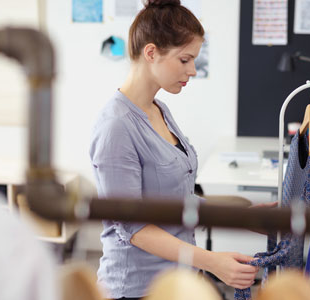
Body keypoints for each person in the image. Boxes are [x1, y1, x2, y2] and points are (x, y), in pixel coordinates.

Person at [89, 1, 274, 299]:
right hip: (137, 289)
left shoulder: (159, 110)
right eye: (185, 59)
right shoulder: (116, 127)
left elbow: (178, 202)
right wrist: (212, 261)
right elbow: (133, 228)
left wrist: (245, 218)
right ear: (151, 53)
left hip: (176, 282)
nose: (193, 70)